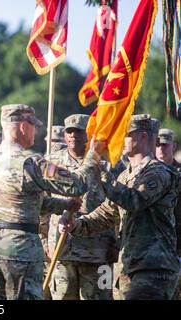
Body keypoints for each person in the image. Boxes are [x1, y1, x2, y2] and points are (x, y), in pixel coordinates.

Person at [0, 104, 104, 300]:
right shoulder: (32, 162)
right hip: (20, 251)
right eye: (34, 125)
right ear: (24, 127)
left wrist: (63, 205)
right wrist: (93, 155)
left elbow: (21, 201)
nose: (36, 131)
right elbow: (78, 184)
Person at [61, 114, 180, 300]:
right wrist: (75, 225)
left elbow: (134, 200)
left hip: (154, 267)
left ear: (143, 136)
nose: (118, 140)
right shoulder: (125, 176)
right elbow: (107, 214)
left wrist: (101, 171)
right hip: (129, 266)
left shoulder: (158, 172)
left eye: (124, 134)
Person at [42, 114, 117, 300]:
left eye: (79, 131)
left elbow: (119, 206)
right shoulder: (51, 162)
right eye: (69, 131)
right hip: (61, 250)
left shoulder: (108, 163)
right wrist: (43, 241)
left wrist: (117, 242)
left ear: (89, 135)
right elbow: (43, 203)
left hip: (99, 251)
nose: (73, 135)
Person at [156, 128, 181, 300]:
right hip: (155, 243)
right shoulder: (148, 171)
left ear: (174, 147)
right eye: (157, 145)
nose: (161, 149)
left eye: (165, 145)